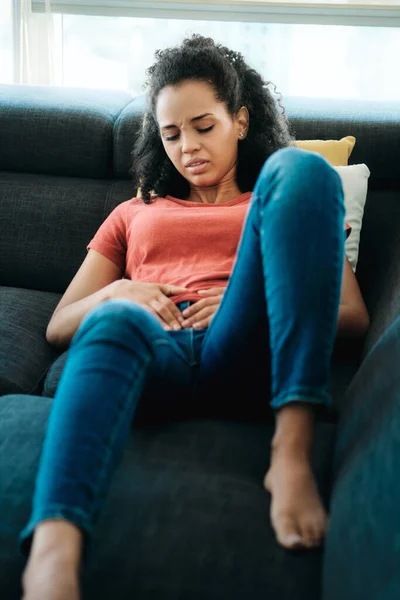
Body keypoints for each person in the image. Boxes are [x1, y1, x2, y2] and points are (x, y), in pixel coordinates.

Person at [20, 34, 369, 600]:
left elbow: (351, 315)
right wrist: (121, 291)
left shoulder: (270, 202)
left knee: (302, 172)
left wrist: (239, 301)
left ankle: (291, 451)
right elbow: (61, 324)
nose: (188, 147)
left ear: (241, 120)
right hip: (150, 349)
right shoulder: (134, 211)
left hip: (242, 341)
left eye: (204, 127)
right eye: (172, 133)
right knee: (112, 323)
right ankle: (53, 553)